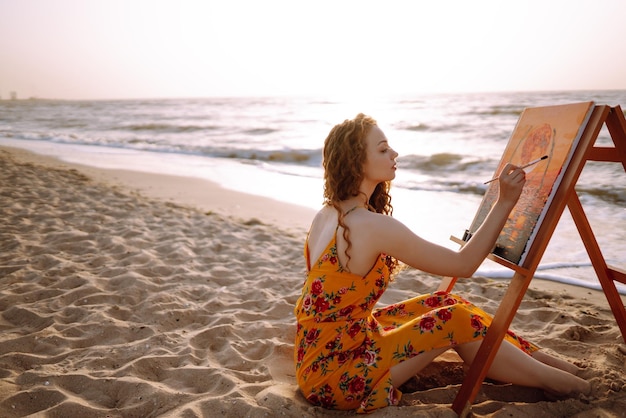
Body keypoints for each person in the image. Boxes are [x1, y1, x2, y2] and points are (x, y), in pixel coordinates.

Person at [293, 113, 591, 413]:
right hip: (339, 377)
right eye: (383, 149)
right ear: (356, 162)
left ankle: (543, 361)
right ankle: (559, 382)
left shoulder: (327, 214)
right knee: (454, 318)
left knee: (443, 300)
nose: (394, 154)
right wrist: (504, 201)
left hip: (319, 358)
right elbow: (464, 265)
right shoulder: (368, 225)